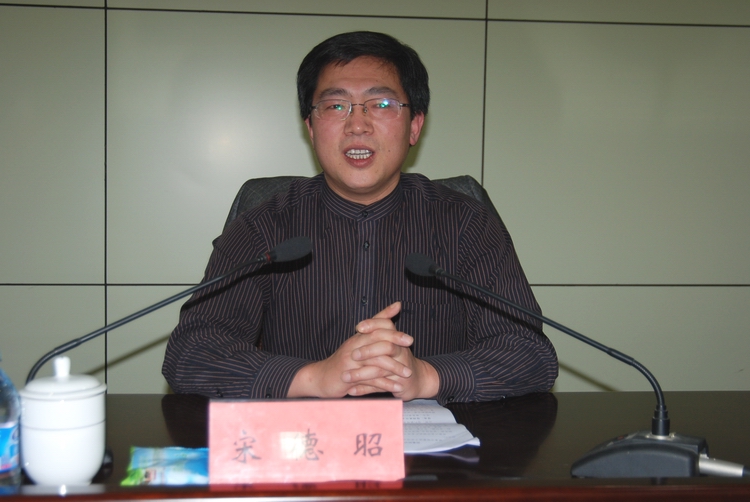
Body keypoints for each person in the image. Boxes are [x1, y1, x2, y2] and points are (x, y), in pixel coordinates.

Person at [162, 31, 557, 404]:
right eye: (335, 106)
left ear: (415, 125)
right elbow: (192, 351)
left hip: (434, 447)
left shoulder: (466, 223)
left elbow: (529, 352)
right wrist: (317, 378)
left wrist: (424, 377)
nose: (357, 125)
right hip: (306, 445)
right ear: (310, 127)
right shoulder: (264, 227)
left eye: (381, 104)